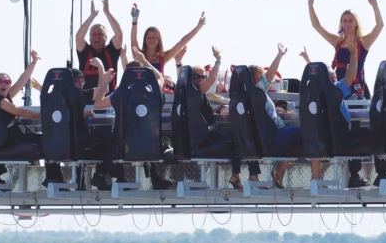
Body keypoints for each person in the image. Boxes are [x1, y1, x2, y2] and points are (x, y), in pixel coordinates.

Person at [302, 46, 386, 187]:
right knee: (379, 134)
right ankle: (381, 174)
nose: (336, 79)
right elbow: (350, 77)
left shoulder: (311, 96)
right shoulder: (335, 89)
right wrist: (354, 54)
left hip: (325, 142)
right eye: (333, 77)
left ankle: (320, 177)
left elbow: (344, 76)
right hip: (341, 142)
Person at [94, 51, 171, 190]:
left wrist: (104, 83)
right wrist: (145, 62)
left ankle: (108, 175)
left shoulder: (120, 94)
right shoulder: (153, 92)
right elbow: (160, 78)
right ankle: (154, 178)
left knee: (110, 138)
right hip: (151, 146)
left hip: (126, 146)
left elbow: (98, 104)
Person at [188, 47, 262, 190]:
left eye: (202, 77)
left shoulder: (196, 94)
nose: (200, 80)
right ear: (190, 78)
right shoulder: (195, 92)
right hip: (203, 141)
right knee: (241, 138)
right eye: (196, 77)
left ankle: (239, 175)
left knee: (240, 136)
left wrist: (222, 108)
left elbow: (211, 107)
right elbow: (212, 79)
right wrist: (218, 60)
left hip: (206, 136)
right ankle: (247, 176)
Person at [250, 43, 318, 189]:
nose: (263, 79)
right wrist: (279, 55)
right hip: (277, 134)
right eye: (259, 76)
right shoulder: (256, 91)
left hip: (275, 132)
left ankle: (280, 172)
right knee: (312, 134)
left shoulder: (250, 96)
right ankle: (316, 178)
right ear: (254, 79)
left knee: (300, 143)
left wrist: (274, 110)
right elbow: (270, 76)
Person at [0, 50, 63, 186]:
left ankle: (53, 177)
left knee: (48, 139)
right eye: (0, 81)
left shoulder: (6, 96)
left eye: (7, 81)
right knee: (47, 141)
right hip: (8, 139)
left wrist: (34, 62)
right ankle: (53, 178)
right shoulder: (0, 101)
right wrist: (43, 115)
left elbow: (22, 80)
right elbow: (20, 111)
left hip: (14, 135)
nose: (4, 84)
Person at [308, 0, 384, 99]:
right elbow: (317, 26)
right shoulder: (337, 41)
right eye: (344, 21)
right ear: (341, 24)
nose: (347, 23)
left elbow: (380, 25)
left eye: (351, 20)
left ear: (356, 23)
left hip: (355, 94)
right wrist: (310, 6)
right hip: (338, 92)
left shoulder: (364, 42)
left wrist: (375, 6)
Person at [131, 4, 206, 75]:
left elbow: (182, 42)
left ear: (159, 40)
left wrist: (198, 27)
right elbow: (133, 40)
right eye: (148, 37)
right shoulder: (139, 55)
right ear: (145, 40)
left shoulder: (163, 57)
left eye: (154, 37)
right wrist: (134, 20)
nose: (151, 40)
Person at [76, 0, 124, 92]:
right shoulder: (85, 52)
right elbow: (79, 37)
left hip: (109, 99)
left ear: (106, 37)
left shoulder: (111, 51)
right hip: (87, 99)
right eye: (94, 34)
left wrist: (107, 12)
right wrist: (92, 16)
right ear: (90, 38)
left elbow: (119, 34)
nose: (97, 36)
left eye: (100, 34)